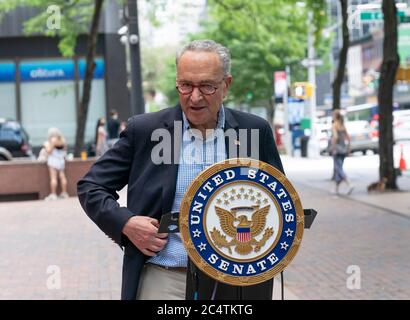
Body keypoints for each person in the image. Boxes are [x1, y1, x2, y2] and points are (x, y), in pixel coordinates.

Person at [77, 39, 284, 300]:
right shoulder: (146, 131)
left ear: (226, 86)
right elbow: (91, 186)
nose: (195, 97)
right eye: (186, 85)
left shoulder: (254, 131)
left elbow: (277, 199)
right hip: (165, 276)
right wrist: (126, 223)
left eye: (207, 86)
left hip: (237, 281)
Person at [330, 110, 354, 195]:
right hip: (343, 149)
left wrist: (333, 148)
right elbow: (348, 138)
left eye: (333, 115)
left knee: (338, 169)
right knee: (339, 169)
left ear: (335, 116)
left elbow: (335, 137)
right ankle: (336, 189)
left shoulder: (334, 125)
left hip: (337, 150)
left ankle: (349, 184)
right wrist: (348, 148)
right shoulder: (342, 125)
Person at [44, 127, 68, 200]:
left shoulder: (50, 141)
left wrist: (51, 144)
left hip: (53, 161)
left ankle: (53, 194)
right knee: (62, 177)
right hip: (61, 161)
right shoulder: (62, 140)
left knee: (53, 178)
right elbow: (65, 150)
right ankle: (64, 193)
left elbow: (49, 151)